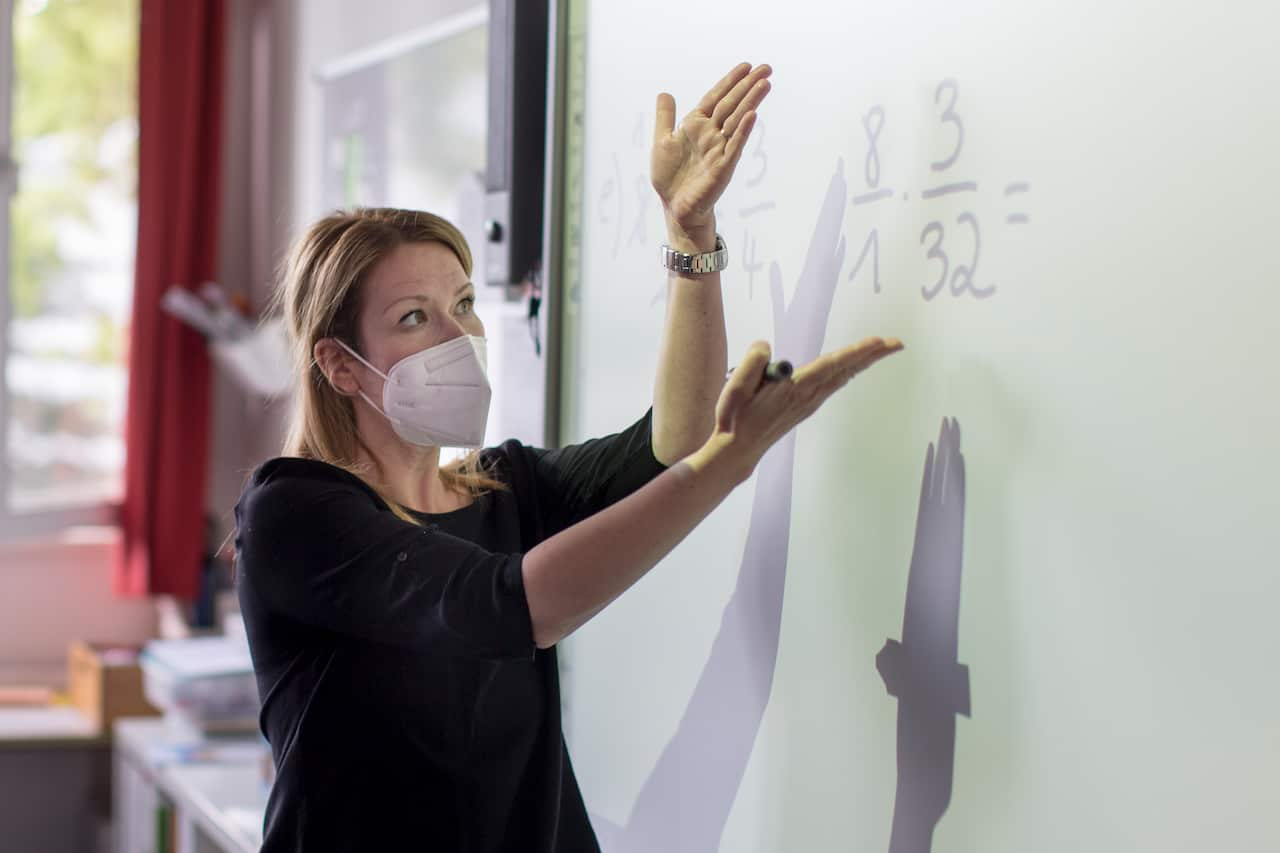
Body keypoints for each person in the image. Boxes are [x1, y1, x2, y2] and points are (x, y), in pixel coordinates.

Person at [234, 63, 902, 853]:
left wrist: (690, 236)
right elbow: (515, 604)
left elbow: (673, 444)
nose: (459, 337)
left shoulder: (507, 490)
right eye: (415, 317)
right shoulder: (295, 511)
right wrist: (730, 460)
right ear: (341, 365)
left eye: (463, 304)